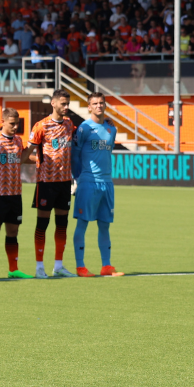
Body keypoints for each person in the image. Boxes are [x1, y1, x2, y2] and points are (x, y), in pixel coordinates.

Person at [24, 91, 75, 279]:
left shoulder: (69, 124)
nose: (66, 106)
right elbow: (25, 155)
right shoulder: (41, 126)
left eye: (67, 103)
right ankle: (39, 267)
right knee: (42, 225)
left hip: (64, 183)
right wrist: (39, 161)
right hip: (46, 182)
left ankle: (59, 266)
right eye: (63, 103)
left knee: (62, 225)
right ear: (53, 103)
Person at [71, 93, 121, 277]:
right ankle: (80, 266)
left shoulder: (111, 129)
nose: (99, 106)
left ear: (105, 106)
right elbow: (74, 155)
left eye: (101, 103)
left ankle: (106, 266)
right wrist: (76, 178)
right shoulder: (84, 128)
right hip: (88, 182)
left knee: (105, 225)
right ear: (89, 107)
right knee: (83, 224)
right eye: (95, 103)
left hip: (107, 182)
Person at [0, 108, 33, 280]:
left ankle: (13, 269)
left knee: (13, 231)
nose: (15, 126)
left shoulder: (18, 140)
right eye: (12, 123)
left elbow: (22, 158)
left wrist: (38, 154)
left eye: (17, 123)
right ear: (2, 122)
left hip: (15, 192)